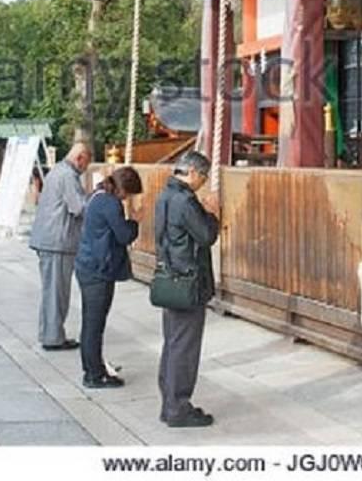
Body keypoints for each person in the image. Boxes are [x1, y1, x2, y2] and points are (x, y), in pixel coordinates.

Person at [155, 151, 220, 428]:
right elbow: (206, 235)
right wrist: (212, 214)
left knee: (173, 342)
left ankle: (169, 403)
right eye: (203, 178)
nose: (203, 183)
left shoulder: (165, 196)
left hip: (170, 277)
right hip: (188, 281)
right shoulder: (185, 200)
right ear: (192, 173)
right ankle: (178, 407)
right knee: (184, 346)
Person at [75, 166, 142, 389]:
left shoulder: (96, 195)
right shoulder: (111, 204)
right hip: (98, 269)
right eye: (129, 194)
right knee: (95, 324)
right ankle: (94, 374)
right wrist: (135, 222)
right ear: (125, 190)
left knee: (90, 322)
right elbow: (123, 235)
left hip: (87, 264)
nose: (128, 199)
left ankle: (94, 369)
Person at [29, 143, 91, 351]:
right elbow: (78, 207)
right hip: (58, 240)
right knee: (57, 292)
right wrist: (96, 199)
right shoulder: (68, 176)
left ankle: (49, 333)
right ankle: (53, 337)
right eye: (86, 162)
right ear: (80, 158)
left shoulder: (57, 171)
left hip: (50, 239)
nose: (86, 167)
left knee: (51, 291)